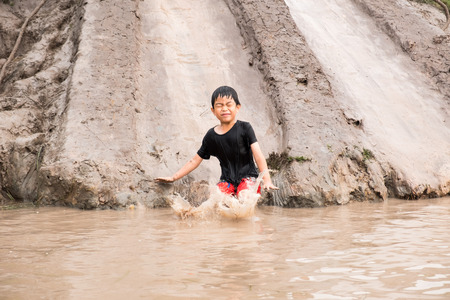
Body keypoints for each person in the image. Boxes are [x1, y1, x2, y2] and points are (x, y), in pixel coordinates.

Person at [155, 86, 278, 197]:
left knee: (245, 195)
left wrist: (267, 180)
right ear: (213, 110)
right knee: (217, 198)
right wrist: (173, 177)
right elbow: (194, 161)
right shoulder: (211, 136)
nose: (224, 109)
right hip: (227, 181)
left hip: (248, 178)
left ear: (237, 107)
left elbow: (258, 155)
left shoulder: (245, 128)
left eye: (229, 104)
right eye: (219, 105)